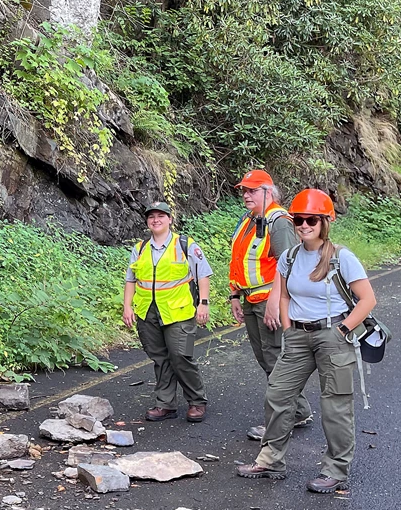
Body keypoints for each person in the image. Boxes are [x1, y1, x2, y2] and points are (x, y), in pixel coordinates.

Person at [236, 189, 377, 493]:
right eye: (298, 219)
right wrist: (288, 329)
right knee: (277, 394)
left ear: (326, 221)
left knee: (335, 406)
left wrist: (342, 330)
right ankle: (271, 459)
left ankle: (336, 471)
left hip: (332, 335)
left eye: (311, 219)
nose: (303, 225)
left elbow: (367, 299)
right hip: (298, 336)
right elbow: (284, 295)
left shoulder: (342, 257)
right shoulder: (290, 256)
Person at [228, 169, 314, 440]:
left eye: (252, 190)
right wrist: (234, 296)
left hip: (268, 302)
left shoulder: (278, 222)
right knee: (268, 359)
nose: (246, 195)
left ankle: (281, 420)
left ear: (268, 192)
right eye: (244, 190)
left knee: (276, 359)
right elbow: (241, 261)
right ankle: (298, 411)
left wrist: (277, 303)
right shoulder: (250, 219)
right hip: (251, 300)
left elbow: (289, 265)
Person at [123, 201, 212, 422]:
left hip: (180, 313)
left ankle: (197, 401)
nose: (156, 220)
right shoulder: (140, 248)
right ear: (147, 221)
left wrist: (203, 303)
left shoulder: (185, 244)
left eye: (161, 215)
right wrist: (127, 307)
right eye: (151, 216)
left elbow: (203, 274)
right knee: (160, 358)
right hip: (147, 312)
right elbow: (130, 280)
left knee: (182, 356)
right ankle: (165, 404)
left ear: (170, 219)